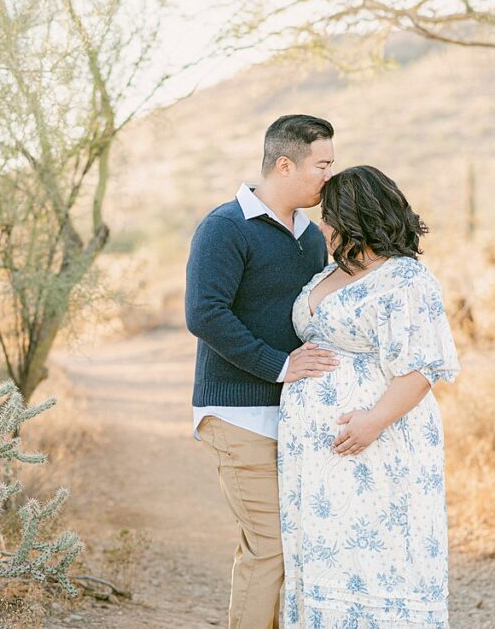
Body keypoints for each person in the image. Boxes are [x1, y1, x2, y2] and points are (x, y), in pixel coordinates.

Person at [278, 165, 461, 628]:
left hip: (379, 444)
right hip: (316, 454)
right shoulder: (332, 270)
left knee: (377, 554)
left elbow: (420, 367)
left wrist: (373, 421)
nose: (322, 226)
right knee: (326, 553)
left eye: (330, 216)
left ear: (355, 218)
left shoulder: (406, 281)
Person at [185, 114, 341, 629]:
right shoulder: (224, 227)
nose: (328, 175)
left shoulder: (311, 237)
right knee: (270, 548)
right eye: (322, 164)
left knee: (291, 547)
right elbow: (204, 313)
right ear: (284, 163)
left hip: (292, 417)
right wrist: (279, 364)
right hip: (237, 413)